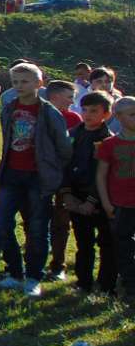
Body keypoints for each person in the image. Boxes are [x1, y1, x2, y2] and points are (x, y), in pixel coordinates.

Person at [0, 62, 73, 298]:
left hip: (38, 177)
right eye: (15, 82)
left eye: (25, 81)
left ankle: (33, 277)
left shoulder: (49, 112)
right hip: (11, 174)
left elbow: (64, 148)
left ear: (39, 83)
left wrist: (51, 169)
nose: (19, 86)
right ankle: (14, 272)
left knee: (37, 228)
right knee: (2, 224)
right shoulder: (9, 108)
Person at [59, 91, 115, 295]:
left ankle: (107, 284)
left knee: (106, 243)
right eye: (84, 110)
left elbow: (102, 174)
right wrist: (67, 195)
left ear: (106, 114)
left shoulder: (107, 140)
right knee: (83, 242)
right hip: (75, 195)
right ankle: (83, 282)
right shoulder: (73, 134)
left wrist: (92, 200)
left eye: (94, 111)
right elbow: (63, 165)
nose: (88, 114)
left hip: (99, 198)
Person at [97, 96, 135, 298]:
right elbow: (101, 175)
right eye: (132, 115)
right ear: (118, 117)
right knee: (123, 245)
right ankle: (129, 285)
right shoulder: (109, 144)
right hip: (121, 204)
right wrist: (106, 202)